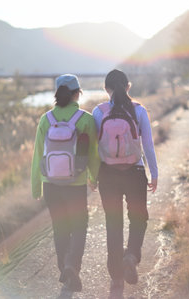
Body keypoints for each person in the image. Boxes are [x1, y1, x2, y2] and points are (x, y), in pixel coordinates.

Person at [31, 74, 100, 299]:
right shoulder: (85, 119)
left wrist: (36, 187)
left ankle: (64, 270)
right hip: (75, 184)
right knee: (79, 226)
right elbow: (93, 155)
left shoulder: (45, 120)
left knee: (60, 228)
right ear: (77, 93)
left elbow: (37, 156)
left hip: (51, 184)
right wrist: (93, 178)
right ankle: (72, 265)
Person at [92, 69, 158, 299]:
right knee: (139, 218)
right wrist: (155, 173)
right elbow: (148, 145)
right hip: (135, 172)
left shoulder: (98, 112)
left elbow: (93, 149)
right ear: (128, 87)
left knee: (113, 223)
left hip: (107, 174)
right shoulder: (138, 110)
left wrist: (92, 176)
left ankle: (116, 276)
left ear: (106, 89)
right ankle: (131, 256)